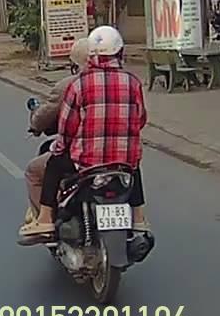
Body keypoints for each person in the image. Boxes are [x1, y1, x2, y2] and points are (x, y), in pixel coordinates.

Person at [19, 25, 150, 243]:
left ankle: (45, 220)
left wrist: (59, 149)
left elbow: (67, 128)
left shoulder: (79, 84)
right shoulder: (133, 82)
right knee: (133, 166)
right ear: (120, 52)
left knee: (52, 164)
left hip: (86, 162)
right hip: (123, 161)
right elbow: (141, 119)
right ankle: (138, 218)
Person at [21, 38, 91, 227]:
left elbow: (58, 124)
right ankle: (139, 219)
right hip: (121, 156)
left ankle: (45, 221)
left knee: (36, 170)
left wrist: (37, 125)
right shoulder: (125, 81)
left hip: (83, 154)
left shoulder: (71, 86)